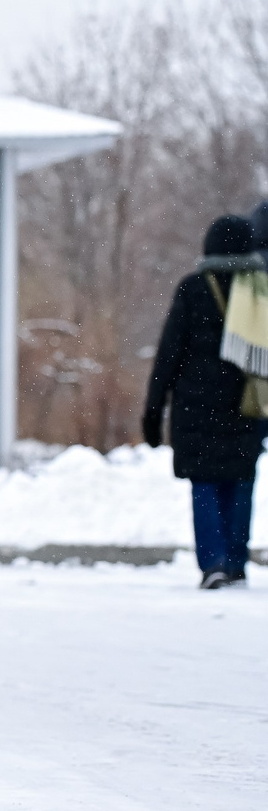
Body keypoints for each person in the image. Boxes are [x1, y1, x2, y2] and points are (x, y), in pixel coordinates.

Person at [142, 215, 267, 589]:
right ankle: (235, 561)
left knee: (206, 483)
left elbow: (169, 353)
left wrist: (154, 408)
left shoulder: (194, 289)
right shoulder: (260, 291)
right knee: (241, 481)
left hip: (196, 407)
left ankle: (212, 562)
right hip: (247, 406)